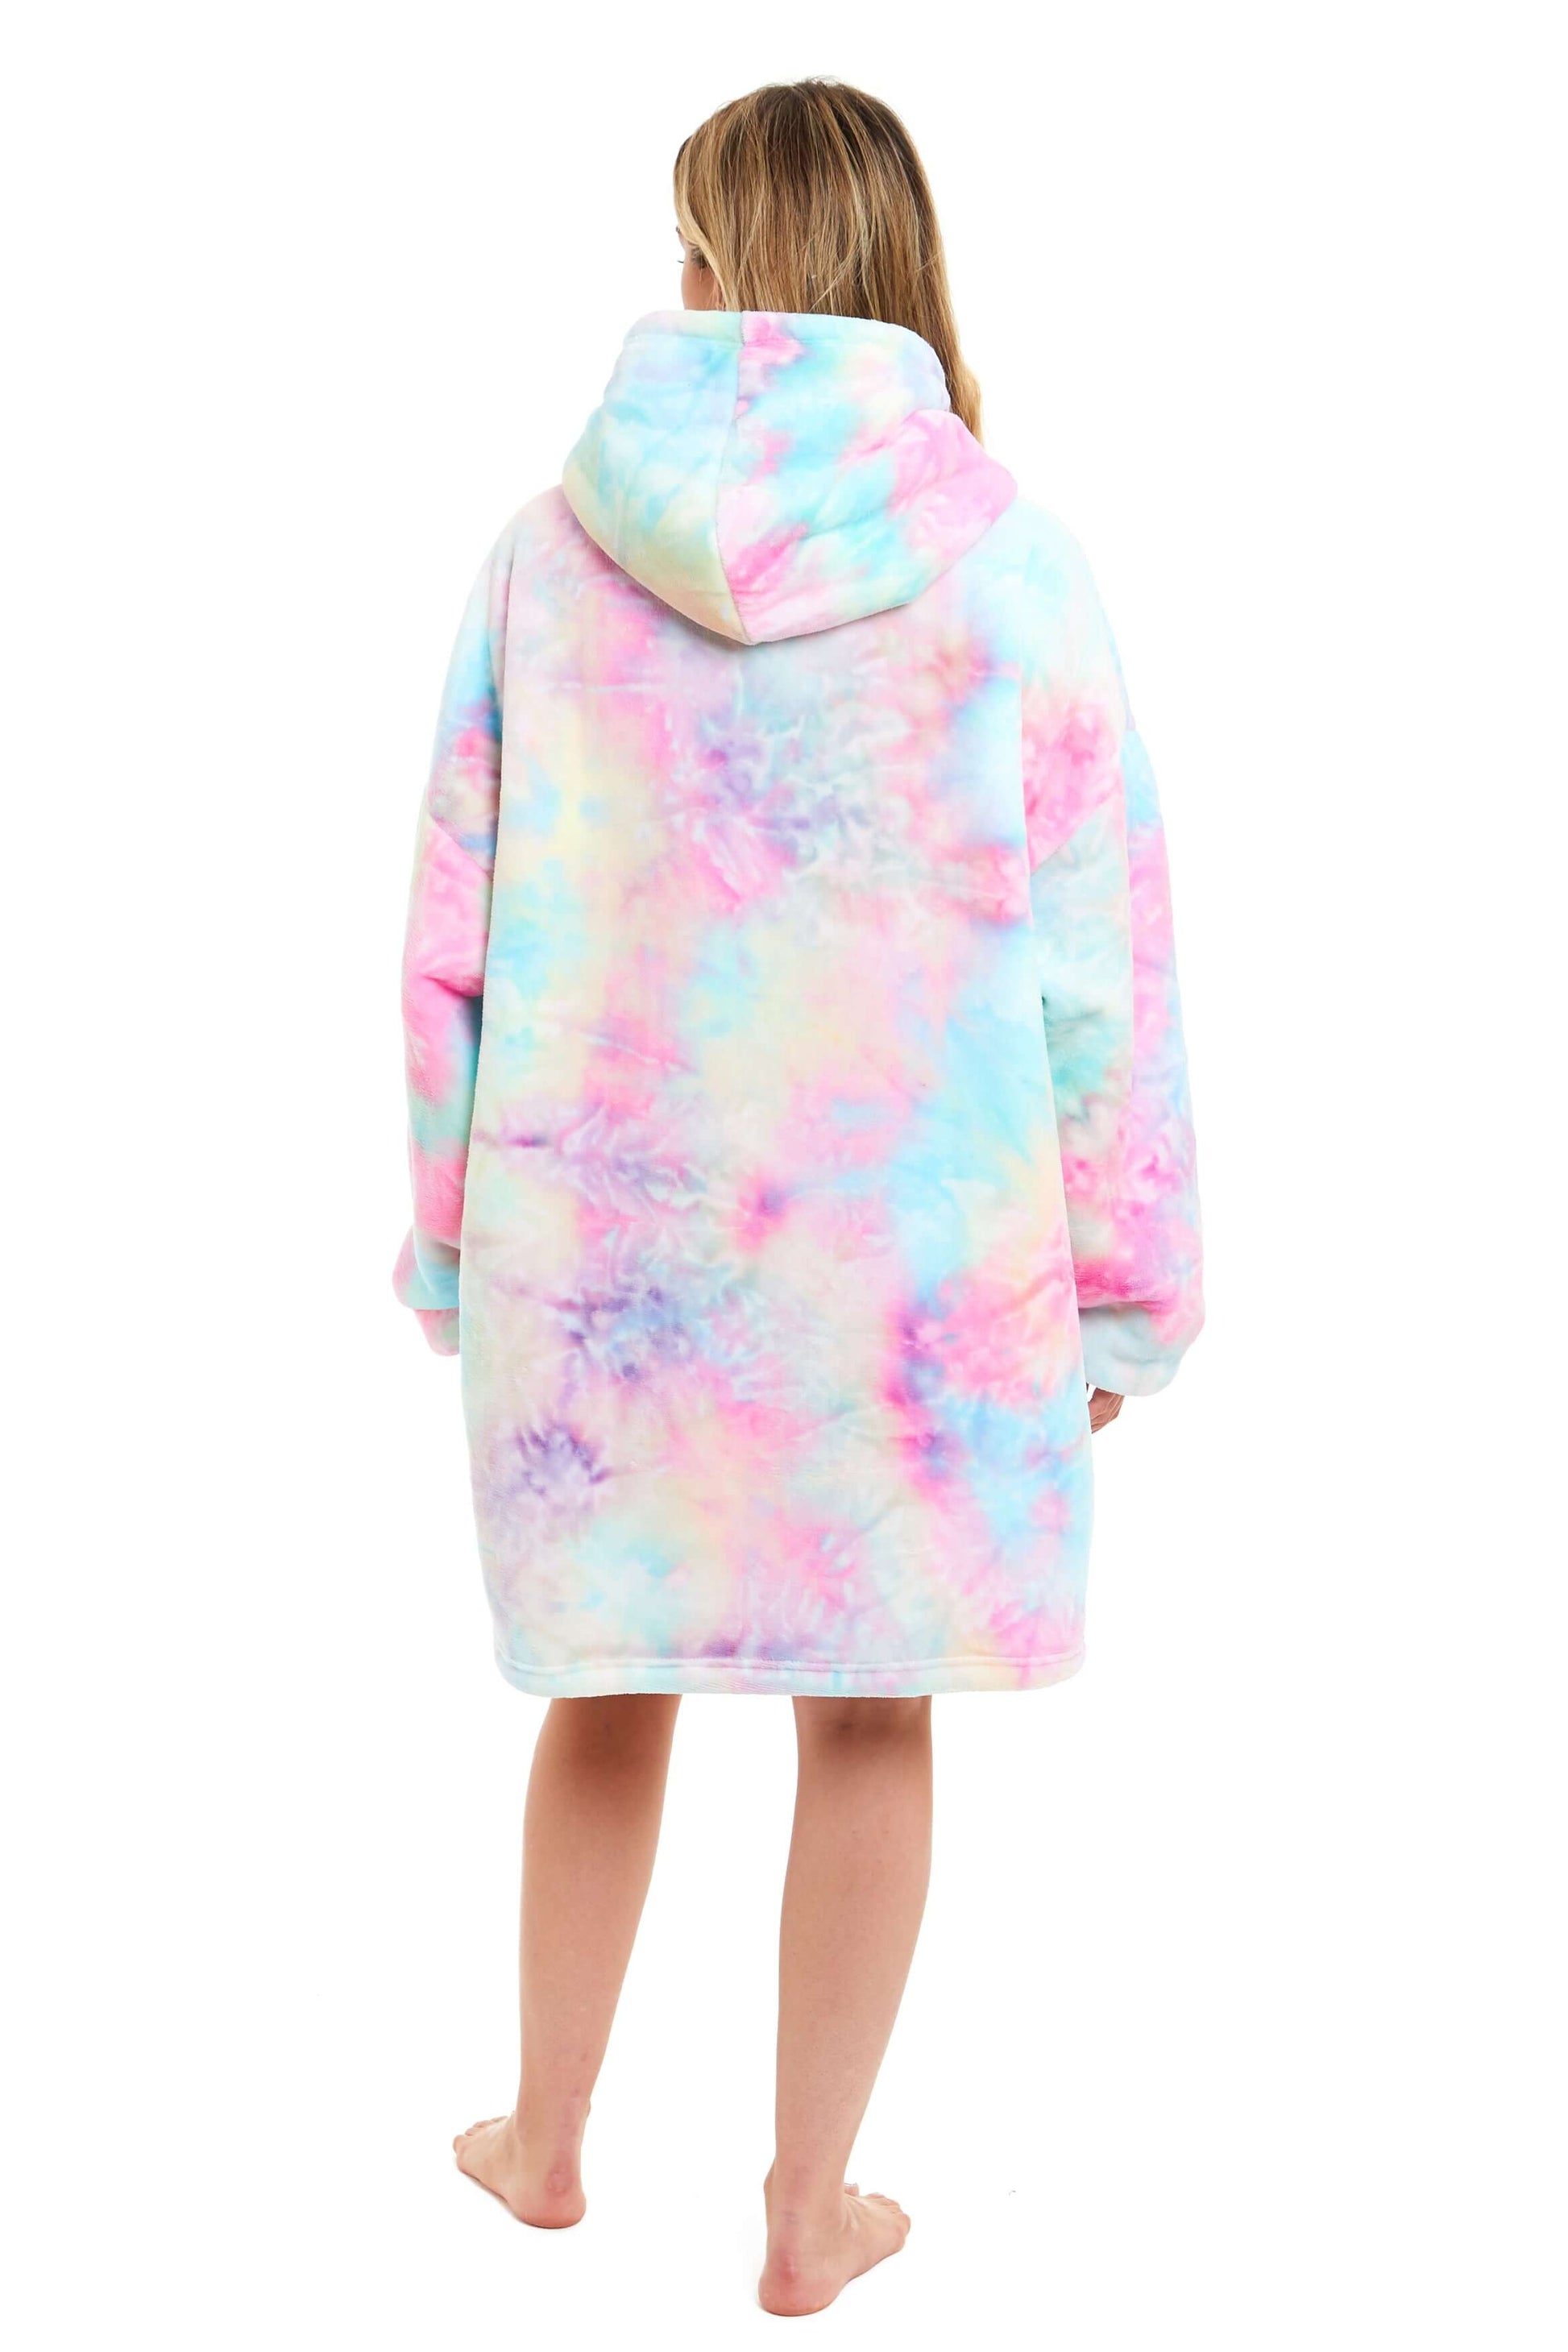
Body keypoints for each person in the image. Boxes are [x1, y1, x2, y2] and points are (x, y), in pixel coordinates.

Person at [393, 77, 1202, 2318]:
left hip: (606, 1272)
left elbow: (453, 939)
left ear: (708, 265)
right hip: (913, 1292)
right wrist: (1118, 1289)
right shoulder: (1012, 565)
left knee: (605, 1686)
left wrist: (455, 1244)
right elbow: (1100, 964)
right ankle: (805, 2209)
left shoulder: (545, 557)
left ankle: (545, 2141)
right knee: (871, 1707)